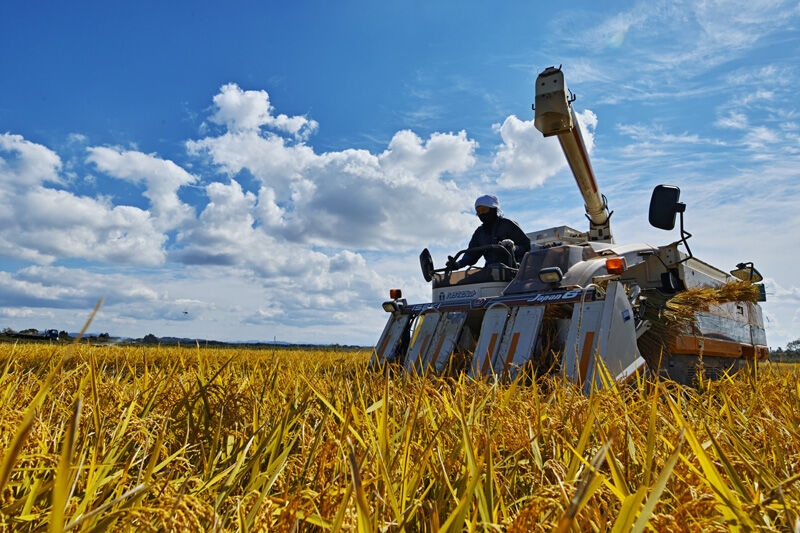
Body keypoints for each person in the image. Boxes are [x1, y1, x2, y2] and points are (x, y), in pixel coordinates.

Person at [447, 194, 531, 270]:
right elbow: (471, 254)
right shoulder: (480, 233)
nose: (481, 214)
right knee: (467, 280)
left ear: (493, 209)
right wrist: (458, 264)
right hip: (490, 270)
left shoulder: (507, 225)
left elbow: (526, 246)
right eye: (478, 212)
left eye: (484, 210)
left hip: (513, 270)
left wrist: (513, 248)